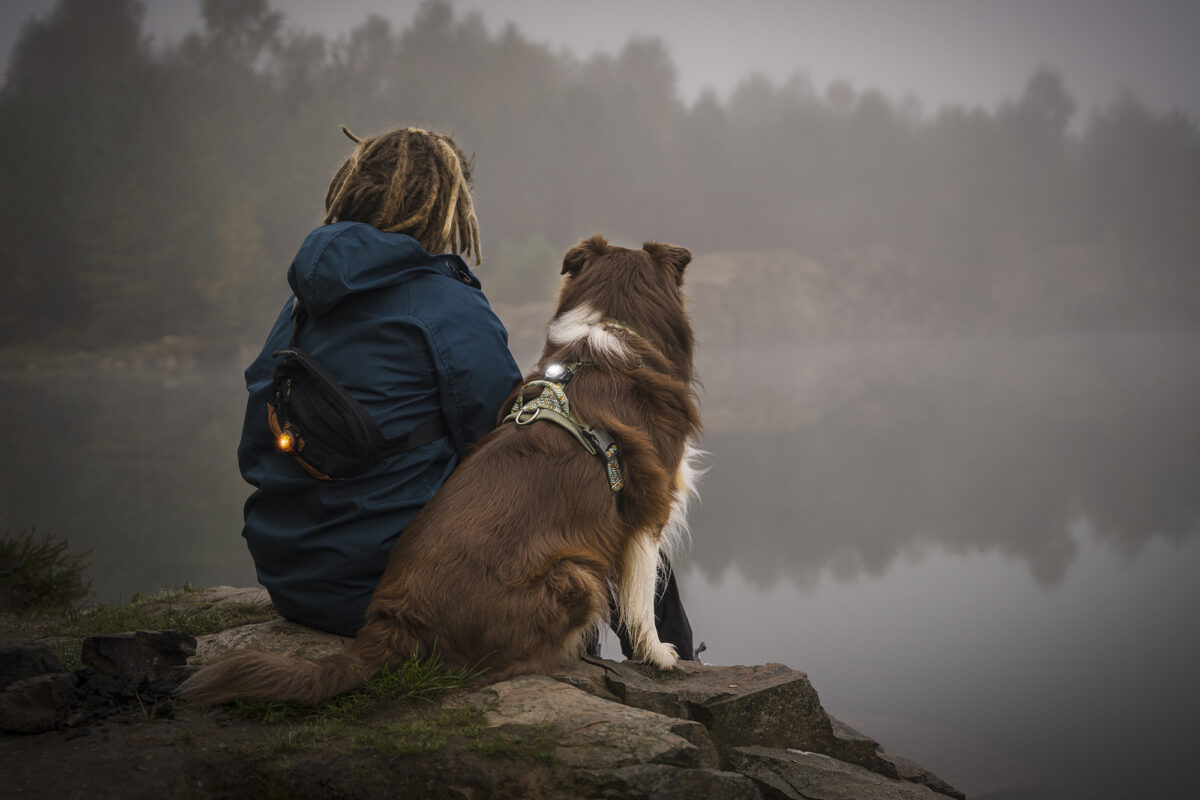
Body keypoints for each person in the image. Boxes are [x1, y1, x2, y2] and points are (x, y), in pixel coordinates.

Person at [238, 126, 522, 636]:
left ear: (354, 188)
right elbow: (506, 449)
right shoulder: (447, 307)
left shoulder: (300, 306)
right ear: (446, 208)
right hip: (397, 594)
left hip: (294, 584)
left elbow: (255, 449)